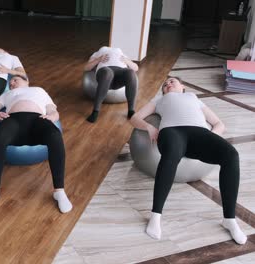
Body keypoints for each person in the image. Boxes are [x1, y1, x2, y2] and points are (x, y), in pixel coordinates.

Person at [130, 77, 247, 245]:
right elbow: (135, 118)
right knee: (171, 155)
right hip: (172, 132)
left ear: (182, 86)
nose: (168, 84)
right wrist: (149, 127)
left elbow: (218, 123)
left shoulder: (193, 97)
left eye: (172, 82)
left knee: (232, 155)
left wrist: (210, 140)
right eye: (165, 85)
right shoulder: (159, 100)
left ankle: (230, 219)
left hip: (199, 133)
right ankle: (156, 216)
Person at [0, 75, 73, 214]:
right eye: (10, 82)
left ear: (27, 81)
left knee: (55, 136)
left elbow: (53, 110)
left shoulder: (39, 90)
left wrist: (51, 117)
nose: (12, 83)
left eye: (15, 80)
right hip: (13, 121)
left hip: (38, 120)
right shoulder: (7, 94)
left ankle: (59, 191)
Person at [84, 46, 139, 123]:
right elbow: (86, 67)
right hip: (105, 72)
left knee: (131, 73)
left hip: (120, 74)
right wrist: (99, 59)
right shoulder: (99, 52)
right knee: (107, 73)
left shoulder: (122, 53)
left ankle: (131, 111)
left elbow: (136, 68)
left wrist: (126, 61)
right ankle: (95, 111)